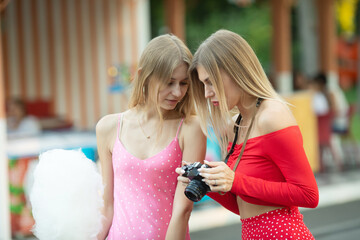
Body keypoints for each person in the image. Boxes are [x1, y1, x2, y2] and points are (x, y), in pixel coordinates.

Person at [176, 30, 319, 239]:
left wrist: (234, 181)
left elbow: (308, 194)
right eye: (203, 85)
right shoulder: (237, 126)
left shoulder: (272, 116)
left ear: (234, 70)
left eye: (210, 82)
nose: (207, 93)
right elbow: (244, 207)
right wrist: (208, 184)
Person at [96, 34, 206, 240]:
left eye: (184, 83)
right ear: (144, 76)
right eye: (169, 82)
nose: (177, 92)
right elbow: (107, 205)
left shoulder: (190, 128)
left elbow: (183, 211)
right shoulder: (108, 127)